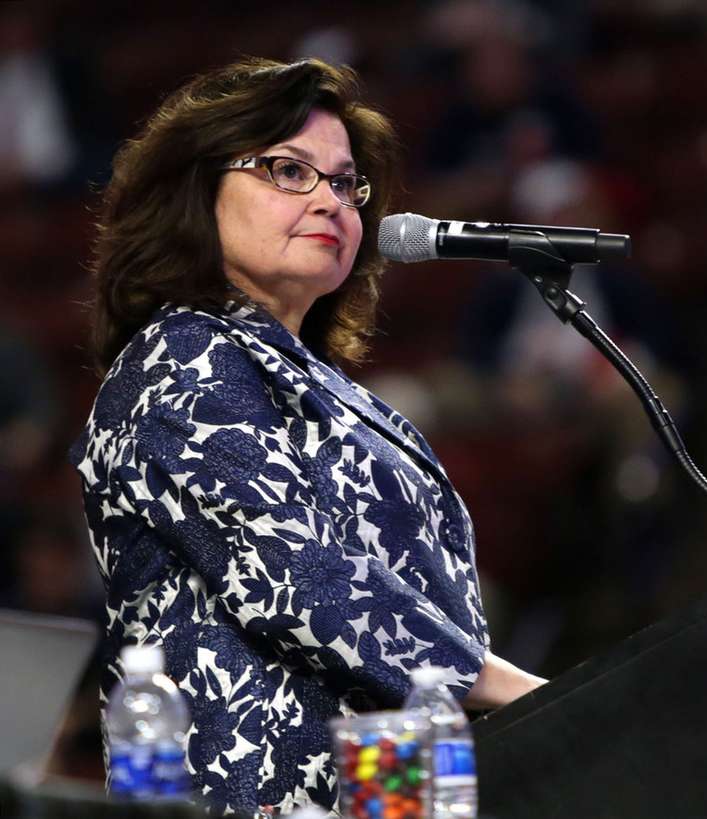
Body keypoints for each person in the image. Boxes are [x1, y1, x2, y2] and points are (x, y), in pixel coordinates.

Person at [70, 57, 546, 816]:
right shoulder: (181, 357)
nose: (330, 200)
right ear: (195, 192)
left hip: (388, 793)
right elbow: (301, 575)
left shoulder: (328, 389)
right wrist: (529, 695)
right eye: (289, 171)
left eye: (345, 183)